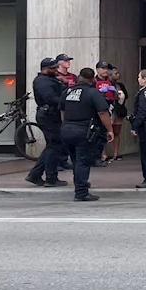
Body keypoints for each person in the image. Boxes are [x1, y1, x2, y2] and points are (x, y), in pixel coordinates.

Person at [61, 68, 113, 202]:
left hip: (67, 129)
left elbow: (62, 110)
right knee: (83, 161)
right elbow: (103, 113)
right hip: (84, 130)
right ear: (93, 79)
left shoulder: (68, 91)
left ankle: (79, 184)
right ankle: (81, 192)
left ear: (79, 77)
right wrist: (109, 130)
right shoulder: (92, 93)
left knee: (75, 160)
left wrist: (66, 124)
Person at [27, 58, 68, 188]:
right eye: (53, 68)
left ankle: (36, 174)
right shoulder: (43, 81)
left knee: (54, 146)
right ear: (45, 69)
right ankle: (50, 177)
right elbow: (51, 98)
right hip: (49, 116)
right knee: (54, 145)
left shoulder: (50, 80)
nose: (56, 70)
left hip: (52, 115)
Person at [91, 62, 118, 167]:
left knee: (104, 133)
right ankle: (96, 157)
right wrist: (100, 92)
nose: (106, 70)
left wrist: (114, 91)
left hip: (108, 107)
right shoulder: (93, 81)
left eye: (107, 68)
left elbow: (115, 97)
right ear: (97, 70)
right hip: (96, 109)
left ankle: (100, 157)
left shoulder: (111, 81)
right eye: (103, 68)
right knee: (96, 133)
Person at [104, 68, 128, 163]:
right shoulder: (105, 84)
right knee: (106, 132)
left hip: (119, 109)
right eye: (115, 73)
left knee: (117, 132)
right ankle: (104, 154)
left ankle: (116, 153)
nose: (118, 75)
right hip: (108, 109)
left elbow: (125, 96)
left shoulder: (120, 85)